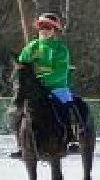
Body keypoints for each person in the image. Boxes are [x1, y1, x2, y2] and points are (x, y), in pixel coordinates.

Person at [14, 12, 82, 154]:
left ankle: (71, 138)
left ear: (54, 30)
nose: (44, 30)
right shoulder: (31, 47)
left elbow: (60, 72)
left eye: (48, 27)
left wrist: (41, 79)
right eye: (42, 27)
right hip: (34, 89)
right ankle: (21, 143)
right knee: (17, 110)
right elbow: (21, 67)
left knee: (66, 105)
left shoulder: (60, 49)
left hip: (56, 87)